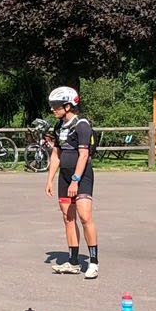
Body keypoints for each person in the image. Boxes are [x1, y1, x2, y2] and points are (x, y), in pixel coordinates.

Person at [44, 86, 98, 278]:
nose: (53, 109)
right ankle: (73, 261)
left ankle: (93, 261)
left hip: (81, 176)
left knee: (85, 216)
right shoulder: (59, 126)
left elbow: (83, 155)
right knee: (68, 218)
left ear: (68, 106)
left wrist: (76, 180)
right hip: (64, 177)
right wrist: (50, 179)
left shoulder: (81, 125)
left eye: (56, 106)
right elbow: (57, 153)